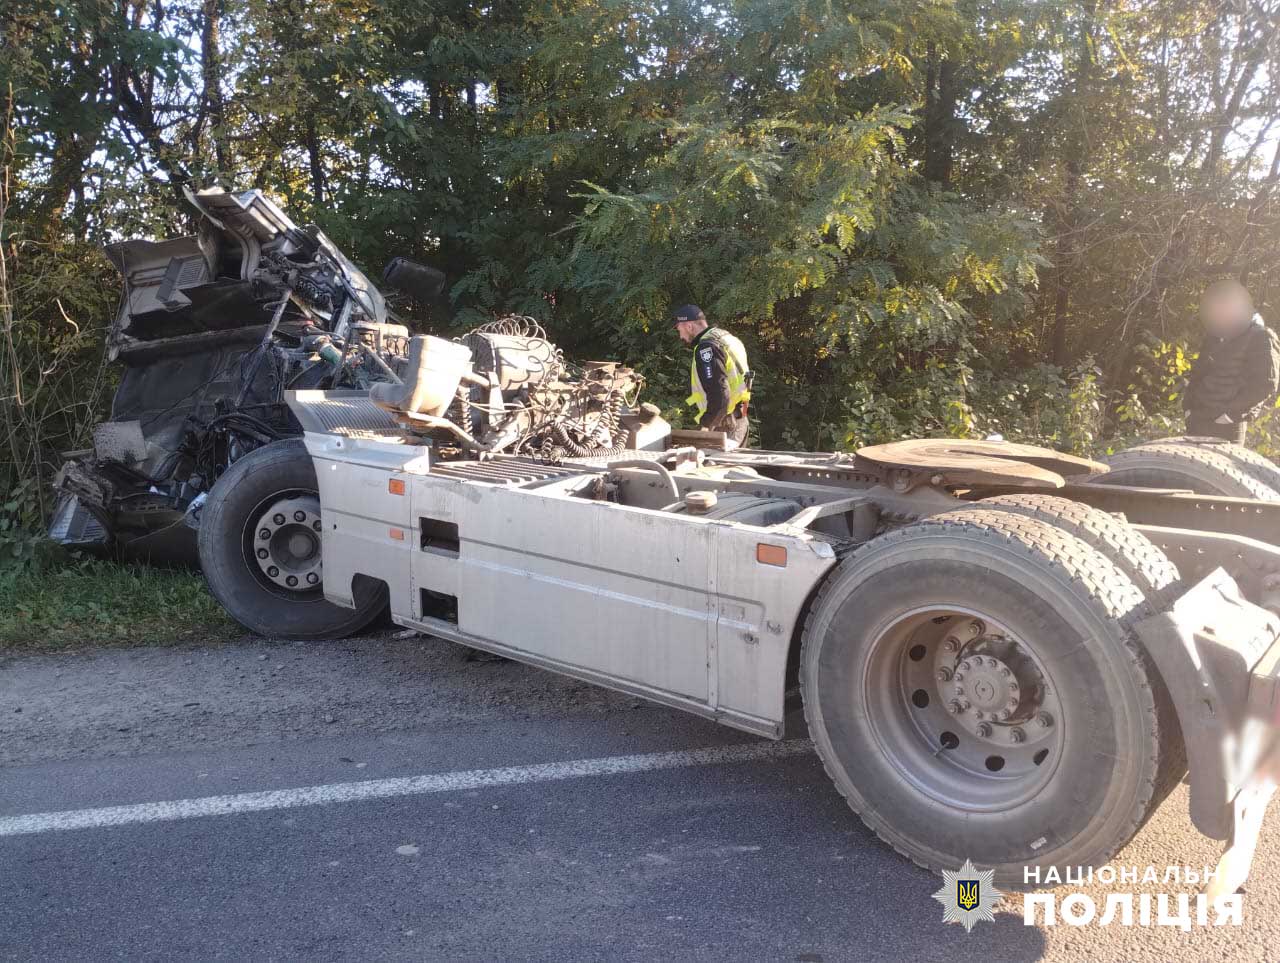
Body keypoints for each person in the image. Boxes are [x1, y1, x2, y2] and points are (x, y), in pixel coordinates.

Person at [1183, 280, 1280, 444]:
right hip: (1198, 418)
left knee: (1221, 469)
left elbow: (1265, 384)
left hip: (1227, 425)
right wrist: (1188, 408)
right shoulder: (1215, 335)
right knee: (1191, 468)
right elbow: (1198, 374)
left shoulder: (1261, 337)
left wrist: (1229, 415)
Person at [672, 304, 752, 447]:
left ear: (689, 326)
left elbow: (719, 393)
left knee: (709, 468)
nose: (680, 336)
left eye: (680, 330)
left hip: (724, 427)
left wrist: (707, 426)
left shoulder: (707, 348)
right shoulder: (726, 338)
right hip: (739, 420)